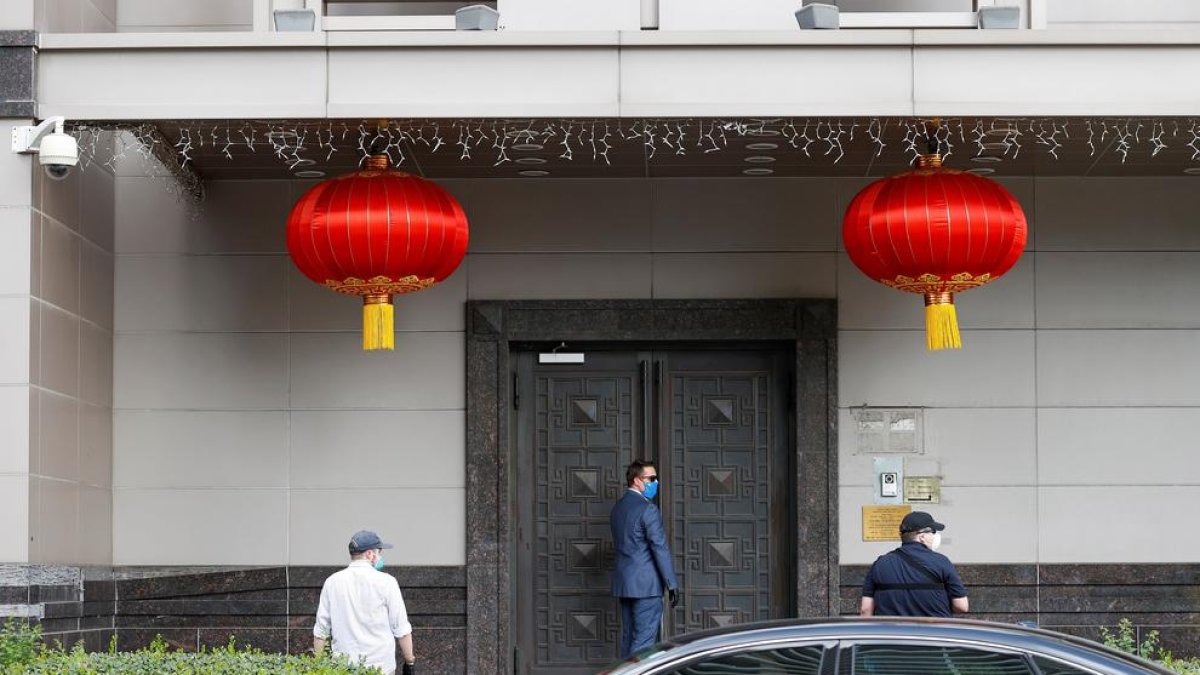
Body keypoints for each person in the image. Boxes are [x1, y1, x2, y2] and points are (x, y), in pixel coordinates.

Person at [314, 530, 417, 675]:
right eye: (379, 552)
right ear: (370, 554)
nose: (380, 557)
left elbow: (321, 631)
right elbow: (401, 628)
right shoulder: (387, 582)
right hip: (381, 668)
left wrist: (319, 667)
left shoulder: (332, 582)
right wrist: (409, 661)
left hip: (343, 668)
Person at [610, 460, 680, 658]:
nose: (655, 483)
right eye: (651, 479)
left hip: (625, 584)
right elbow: (659, 548)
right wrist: (671, 583)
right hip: (646, 587)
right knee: (644, 643)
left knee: (629, 639)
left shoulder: (618, 509)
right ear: (637, 481)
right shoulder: (647, 509)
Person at [860, 511, 969, 618]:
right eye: (933, 532)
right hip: (934, 633)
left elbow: (865, 610)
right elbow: (962, 606)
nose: (935, 536)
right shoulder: (941, 562)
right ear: (922, 537)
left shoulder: (879, 564)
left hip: (892, 634)